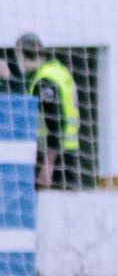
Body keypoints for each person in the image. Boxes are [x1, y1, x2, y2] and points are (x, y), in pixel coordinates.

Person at [10, 34, 78, 189]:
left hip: (55, 156)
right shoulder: (57, 70)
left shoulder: (44, 81)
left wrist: (48, 165)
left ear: (22, 55)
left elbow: (55, 123)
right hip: (69, 151)